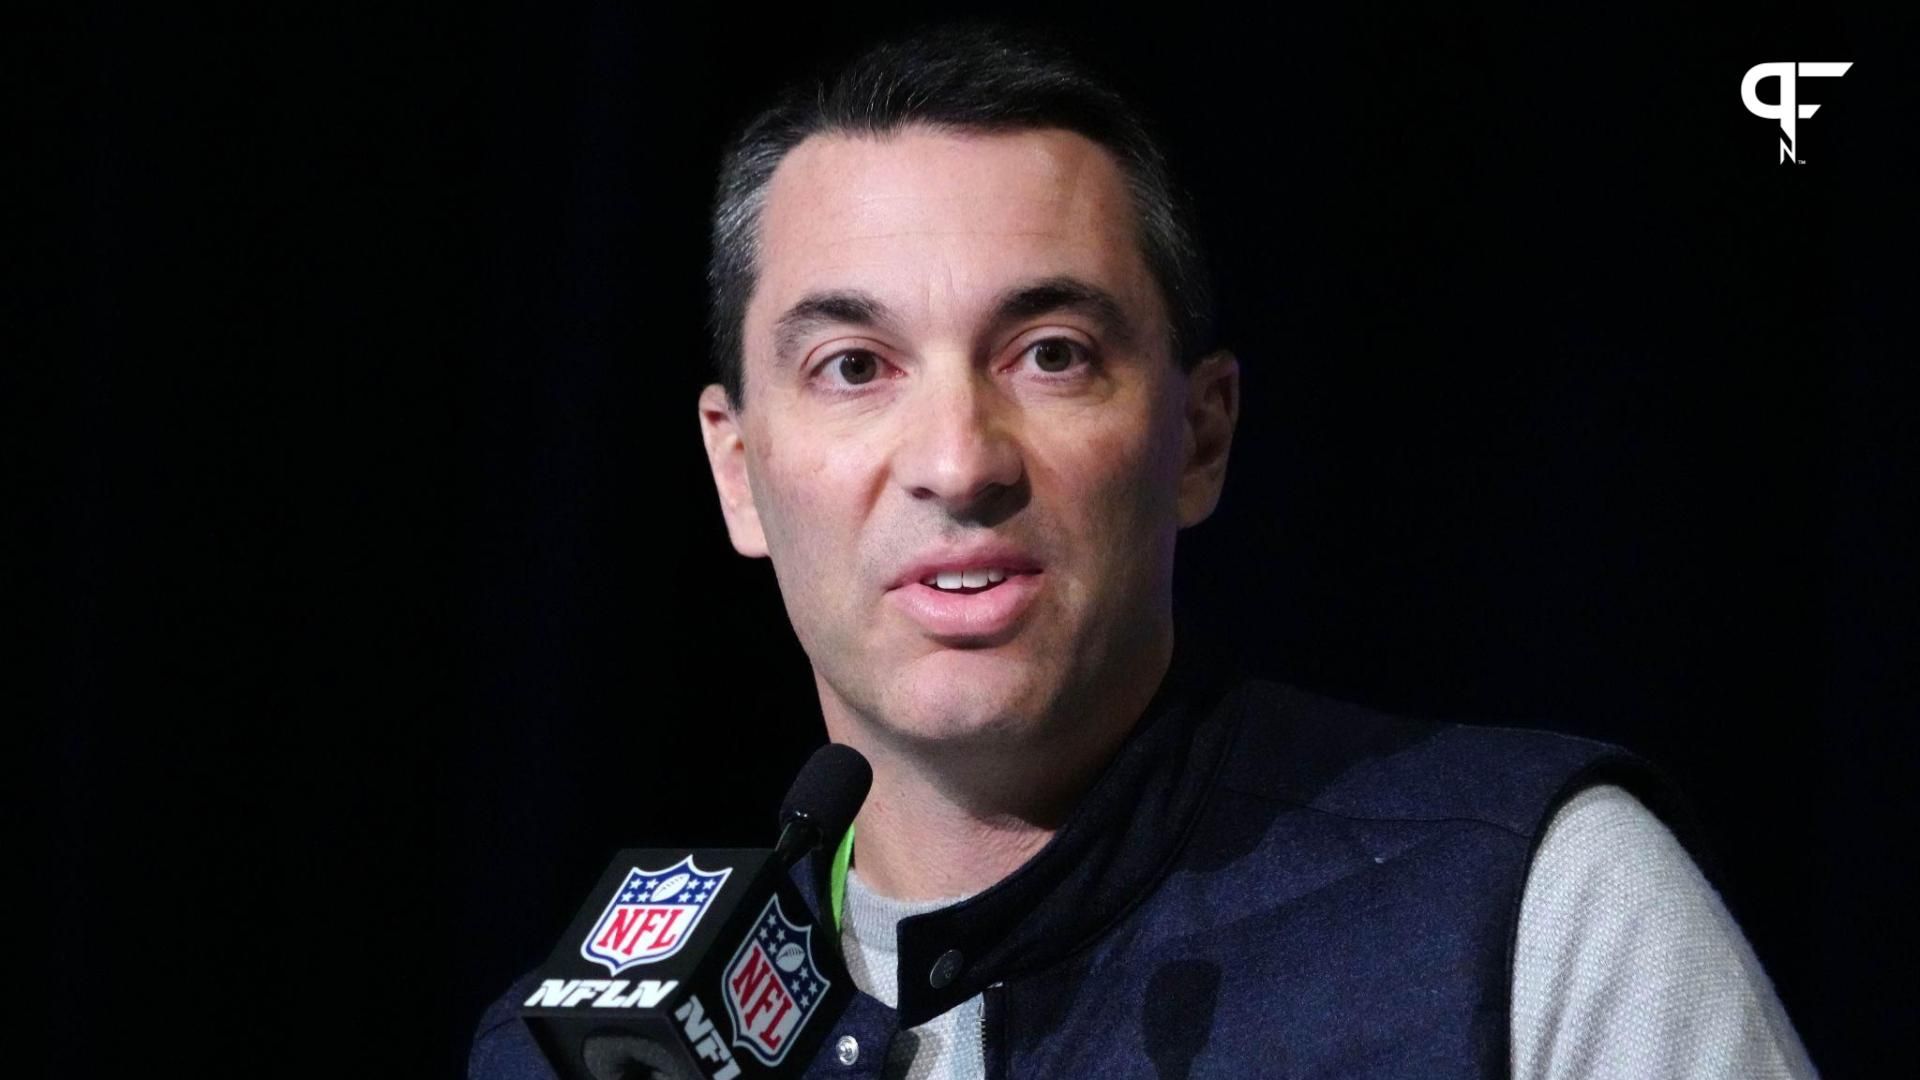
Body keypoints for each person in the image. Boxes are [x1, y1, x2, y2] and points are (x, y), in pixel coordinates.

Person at [473, 22, 1816, 1079]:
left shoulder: (1529, 907)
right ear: (737, 470)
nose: (958, 459)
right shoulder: (576, 1053)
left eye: (1050, 356)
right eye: (853, 366)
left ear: (1200, 436)